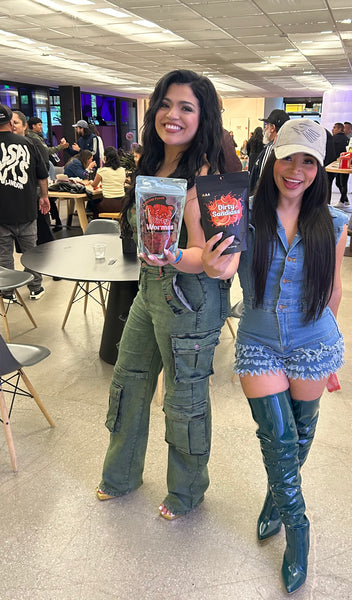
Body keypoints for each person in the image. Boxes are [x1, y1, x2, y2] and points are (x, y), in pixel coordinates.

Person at [202, 119, 348, 594]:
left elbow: (332, 290)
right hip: (259, 342)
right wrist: (184, 257)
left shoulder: (332, 223)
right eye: (288, 158)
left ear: (319, 169)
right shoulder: (242, 214)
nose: (296, 170)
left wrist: (328, 356)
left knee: (301, 435)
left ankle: (275, 499)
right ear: (272, 159)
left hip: (313, 342)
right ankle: (298, 529)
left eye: (309, 161)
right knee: (279, 439)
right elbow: (216, 265)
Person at [96, 70, 230, 521]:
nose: (172, 115)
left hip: (189, 300)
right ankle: (121, 476)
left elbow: (205, 257)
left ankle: (187, 492)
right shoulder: (152, 164)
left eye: (186, 107)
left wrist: (172, 255)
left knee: (184, 400)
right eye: (166, 104)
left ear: (202, 117)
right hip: (148, 291)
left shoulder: (206, 176)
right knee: (128, 382)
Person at [0, 104, 49, 300]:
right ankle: (35, 288)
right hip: (26, 209)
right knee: (31, 254)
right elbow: (42, 175)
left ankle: (7, 292)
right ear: (11, 123)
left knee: (4, 256)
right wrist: (44, 197)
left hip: (1, 214)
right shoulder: (28, 144)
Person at [12, 111, 54, 246]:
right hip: (15, 200)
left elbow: (44, 167)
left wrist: (43, 194)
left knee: (41, 238)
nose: (12, 126)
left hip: (33, 194)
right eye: (10, 123)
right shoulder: (7, 144)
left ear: (25, 126)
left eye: (16, 123)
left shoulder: (34, 143)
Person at [27, 116, 68, 230]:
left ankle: (56, 222)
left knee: (48, 196)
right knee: (46, 195)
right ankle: (53, 223)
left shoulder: (37, 137)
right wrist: (60, 147)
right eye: (39, 125)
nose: (41, 127)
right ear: (33, 126)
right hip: (40, 170)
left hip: (45, 166)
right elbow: (46, 151)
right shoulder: (33, 138)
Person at [249, 109, 290, 193]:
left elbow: (263, 179)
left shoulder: (271, 148)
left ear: (272, 128)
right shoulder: (288, 149)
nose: (265, 128)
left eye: (266, 125)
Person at [90, 146, 126, 216]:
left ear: (105, 158)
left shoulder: (102, 171)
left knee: (93, 204)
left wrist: (91, 182)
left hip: (108, 204)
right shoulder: (122, 170)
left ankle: (97, 222)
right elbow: (122, 184)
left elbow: (94, 185)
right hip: (122, 204)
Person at [328, 122, 349, 205]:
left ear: (340, 129)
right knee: (342, 183)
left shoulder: (333, 139)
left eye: (334, 128)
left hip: (333, 165)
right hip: (345, 164)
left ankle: (342, 200)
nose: (333, 129)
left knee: (332, 183)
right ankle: (345, 200)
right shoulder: (347, 139)